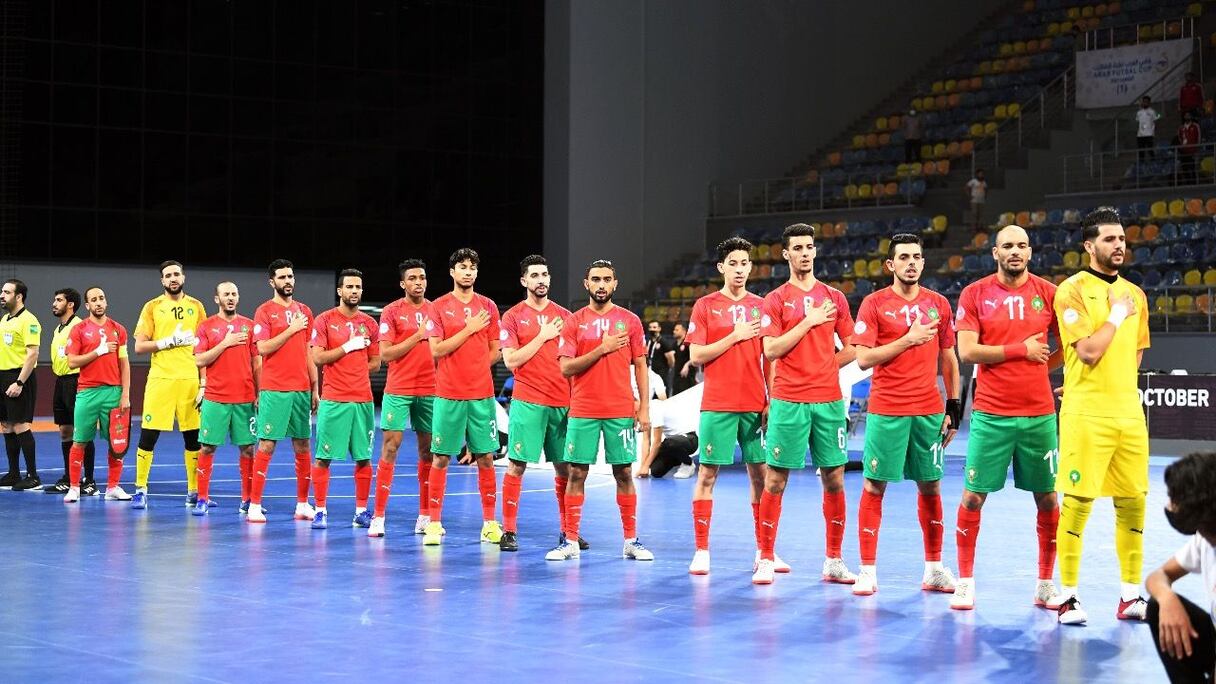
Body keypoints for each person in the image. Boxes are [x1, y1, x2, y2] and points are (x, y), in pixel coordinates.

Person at [949, 225, 1065, 611]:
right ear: (995, 252)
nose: (1015, 251)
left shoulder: (1049, 293)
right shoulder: (975, 293)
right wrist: (1022, 351)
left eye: (1021, 246)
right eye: (1007, 246)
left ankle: (1046, 583)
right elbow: (967, 351)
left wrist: (1039, 368)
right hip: (991, 415)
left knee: (1048, 499)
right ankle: (964, 581)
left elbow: (1065, 347)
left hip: (1039, 415)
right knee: (972, 497)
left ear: (1030, 252)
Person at [1053, 206, 1151, 625]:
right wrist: (1115, 313)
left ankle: (1130, 596)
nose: (1119, 246)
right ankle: (1068, 599)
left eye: (1123, 239)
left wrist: (1123, 313)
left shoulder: (1137, 295)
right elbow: (1090, 352)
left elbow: (1135, 356)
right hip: (1086, 415)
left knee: (1133, 504)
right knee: (1077, 503)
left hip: (1128, 414)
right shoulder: (1071, 290)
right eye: (1110, 239)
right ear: (1089, 245)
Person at [851, 233, 962, 597]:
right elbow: (864, 358)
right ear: (891, 265)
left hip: (929, 411)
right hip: (887, 410)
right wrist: (907, 340)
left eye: (916, 256)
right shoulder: (874, 304)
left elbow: (948, 357)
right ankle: (867, 570)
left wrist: (954, 405)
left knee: (930, 486)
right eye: (903, 257)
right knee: (874, 486)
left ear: (923, 262)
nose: (911, 262)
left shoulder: (939, 304)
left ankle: (934, 569)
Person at [754, 224, 858, 585]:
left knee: (834, 478)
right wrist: (808, 322)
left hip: (828, 401)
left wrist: (824, 364)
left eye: (809, 247)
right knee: (776, 478)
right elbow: (770, 349)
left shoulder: (835, 298)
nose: (804, 253)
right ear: (786, 254)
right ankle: (765, 557)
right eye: (797, 247)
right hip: (788, 400)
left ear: (815, 252)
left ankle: (833, 559)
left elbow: (854, 348)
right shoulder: (776, 299)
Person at [547, 259, 654, 562]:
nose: (602, 285)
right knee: (577, 473)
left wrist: (644, 408)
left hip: (620, 409)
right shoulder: (574, 322)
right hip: (583, 409)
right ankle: (569, 541)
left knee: (623, 473)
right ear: (587, 284)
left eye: (607, 279)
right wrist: (601, 349)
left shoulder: (630, 321)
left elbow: (642, 366)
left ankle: (631, 540)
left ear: (615, 284)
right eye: (596, 279)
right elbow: (566, 367)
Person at [682, 237, 770, 575]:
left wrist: (771, 398)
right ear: (721, 267)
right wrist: (734, 335)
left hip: (755, 403)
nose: (739, 269)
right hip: (717, 403)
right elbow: (697, 355)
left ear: (750, 267)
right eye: (732, 263)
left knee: (760, 475)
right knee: (707, 473)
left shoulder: (763, 306)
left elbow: (770, 357)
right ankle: (702, 550)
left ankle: (765, 550)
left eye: (744, 263)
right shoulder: (705, 306)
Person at [422, 248, 503, 546]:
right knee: (441, 457)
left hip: (481, 394)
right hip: (448, 395)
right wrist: (468, 329)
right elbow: (436, 350)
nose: (467, 272)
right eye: (462, 267)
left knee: (485, 458)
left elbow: (497, 349)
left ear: (477, 273)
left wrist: (474, 368)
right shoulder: (439, 307)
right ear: (452, 272)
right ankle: (434, 523)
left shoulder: (490, 307)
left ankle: (490, 523)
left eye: (472, 267)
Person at [499, 255, 576, 552]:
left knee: (565, 469)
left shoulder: (567, 317)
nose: (541, 279)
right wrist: (543, 337)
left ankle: (568, 533)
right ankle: (509, 530)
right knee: (517, 465)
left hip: (562, 403)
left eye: (545, 274)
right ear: (524, 281)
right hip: (528, 401)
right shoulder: (513, 317)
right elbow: (511, 360)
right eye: (535, 275)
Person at [307, 269, 380, 530]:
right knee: (323, 457)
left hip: (362, 399)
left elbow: (376, 361)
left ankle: (361, 511)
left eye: (358, 287)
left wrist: (357, 364)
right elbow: (317, 358)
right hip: (334, 399)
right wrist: (347, 348)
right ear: (340, 291)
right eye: (349, 287)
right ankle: (321, 510)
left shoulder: (370, 324)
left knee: (364, 457)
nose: (354, 291)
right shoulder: (324, 320)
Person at [248, 259, 319, 523]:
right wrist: (291, 329)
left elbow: (309, 352)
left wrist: (315, 387)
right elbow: (263, 348)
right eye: (282, 277)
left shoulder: (305, 311)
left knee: (302, 444)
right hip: (275, 389)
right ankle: (255, 505)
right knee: (267, 443)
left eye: (291, 276)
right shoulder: (264, 311)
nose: (288, 281)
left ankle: (302, 504)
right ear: (272, 282)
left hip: (301, 389)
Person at [131, 261, 206, 510]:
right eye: (167, 275)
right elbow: (139, 346)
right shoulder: (152, 307)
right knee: (148, 435)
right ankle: (140, 489)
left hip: (189, 380)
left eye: (176, 274)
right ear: (162, 281)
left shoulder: (196, 306)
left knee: (193, 438)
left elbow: (203, 348)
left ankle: (194, 492)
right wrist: (167, 342)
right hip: (161, 379)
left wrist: (204, 382)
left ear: (183, 277)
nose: (173, 278)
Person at [369, 259, 436, 537]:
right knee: (390, 447)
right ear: (402, 283)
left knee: (428, 452)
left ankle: (425, 515)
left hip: (432, 389)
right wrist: (419, 336)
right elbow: (386, 354)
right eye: (412, 278)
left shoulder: (437, 309)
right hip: (398, 389)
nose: (418, 282)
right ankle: (379, 516)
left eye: (422, 277)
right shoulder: (391, 312)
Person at [1145, 452, 1216, 683]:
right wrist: (1167, 599)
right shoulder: (1205, 538)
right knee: (1157, 607)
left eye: (1174, 499)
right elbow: (1159, 576)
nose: (1170, 506)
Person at [191, 282, 260, 516]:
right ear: (216, 299)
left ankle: (248, 500)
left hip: (244, 399)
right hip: (215, 398)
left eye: (234, 294)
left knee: (248, 450)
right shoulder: (206, 326)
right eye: (225, 294)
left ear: (238, 297)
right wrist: (225, 343)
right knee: (207, 448)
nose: (230, 298)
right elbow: (200, 360)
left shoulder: (250, 326)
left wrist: (259, 392)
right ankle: (202, 498)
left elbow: (256, 363)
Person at [62, 287, 131, 503]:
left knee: (116, 444)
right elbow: (72, 361)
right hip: (87, 393)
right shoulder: (79, 329)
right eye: (94, 300)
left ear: (106, 302)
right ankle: (74, 487)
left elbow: (125, 365)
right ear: (88, 305)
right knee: (79, 441)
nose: (98, 302)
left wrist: (125, 394)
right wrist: (98, 352)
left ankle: (113, 487)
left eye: (101, 298)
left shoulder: (118, 330)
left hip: (113, 392)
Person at [45, 288, 91, 495]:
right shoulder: (59, 329)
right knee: (65, 431)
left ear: (70, 304)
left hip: (77, 381)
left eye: (58, 300)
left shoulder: (80, 326)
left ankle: (88, 480)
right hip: (61, 382)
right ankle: (68, 476)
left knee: (82, 431)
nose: (54, 304)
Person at [0, 279, 42, 490]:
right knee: (6, 425)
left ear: (19, 296)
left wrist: (19, 382)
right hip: (3, 376)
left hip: (19, 377)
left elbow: (33, 354)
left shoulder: (29, 321)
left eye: (6, 292)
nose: (2, 295)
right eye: (2, 291)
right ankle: (13, 473)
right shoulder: (5, 320)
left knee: (20, 424)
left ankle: (33, 476)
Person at [646, 320, 675, 396]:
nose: (652, 329)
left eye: (654, 327)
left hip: (661, 374)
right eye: (650, 327)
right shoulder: (649, 341)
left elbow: (671, 359)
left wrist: (665, 369)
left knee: (661, 396)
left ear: (659, 329)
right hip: (650, 373)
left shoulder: (664, 342)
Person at [670, 322, 696, 395]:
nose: (674, 331)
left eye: (677, 330)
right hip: (676, 376)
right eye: (674, 330)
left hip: (687, 376)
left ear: (684, 331)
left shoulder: (689, 343)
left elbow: (695, 358)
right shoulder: (674, 344)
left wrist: (687, 365)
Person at [1177, 111, 1201, 185]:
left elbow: (1198, 138)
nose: (1187, 117)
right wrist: (1182, 147)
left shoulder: (1195, 126)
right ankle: (1188, 183)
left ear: (1191, 117)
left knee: (1193, 168)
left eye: (1188, 115)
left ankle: (1194, 183)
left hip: (1193, 151)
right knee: (1185, 168)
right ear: (1184, 117)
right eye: (1186, 115)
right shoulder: (1181, 128)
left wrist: (1196, 149)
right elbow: (1180, 138)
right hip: (1184, 152)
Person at [1137, 96, 1161, 164]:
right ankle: (1141, 164)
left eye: (1146, 102)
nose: (1145, 103)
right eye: (1144, 102)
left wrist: (1153, 130)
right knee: (1141, 151)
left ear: (1149, 103)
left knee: (1150, 150)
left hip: (1149, 134)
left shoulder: (1152, 111)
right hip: (1140, 135)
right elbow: (1138, 122)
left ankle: (1153, 163)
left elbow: (1155, 121)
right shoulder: (1139, 112)